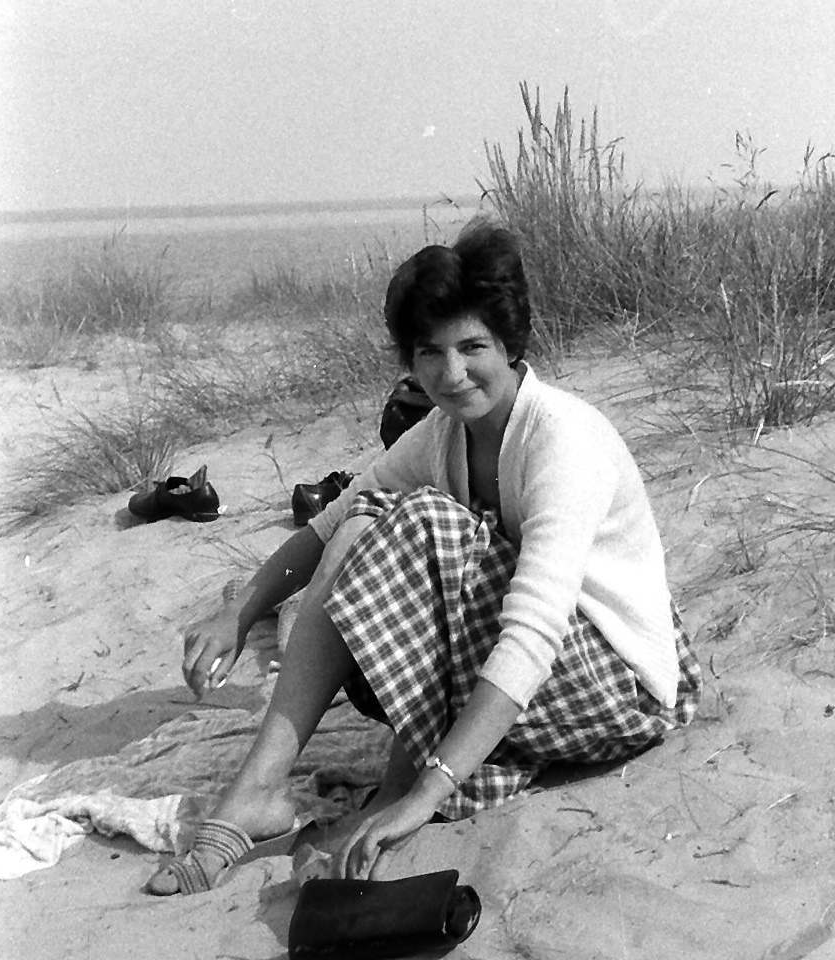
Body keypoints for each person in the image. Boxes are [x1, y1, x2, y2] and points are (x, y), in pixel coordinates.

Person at [147, 218, 701, 895]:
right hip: (538, 681)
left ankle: (400, 784)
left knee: (419, 521)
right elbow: (329, 524)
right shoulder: (444, 433)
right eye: (430, 353)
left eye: (473, 346)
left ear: (511, 345)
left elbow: (533, 632)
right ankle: (256, 790)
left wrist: (424, 796)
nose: (452, 372)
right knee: (363, 522)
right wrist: (238, 612)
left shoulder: (562, 440)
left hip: (619, 688)